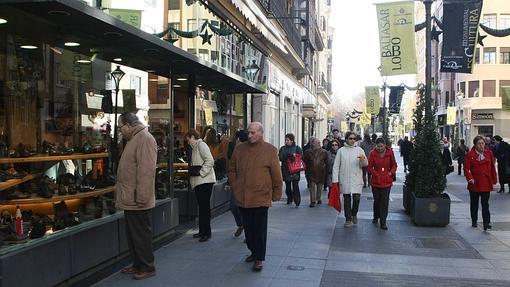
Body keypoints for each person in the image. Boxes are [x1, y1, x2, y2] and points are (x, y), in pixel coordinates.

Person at [228, 122, 282, 271]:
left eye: (253, 133)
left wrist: (277, 193)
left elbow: (276, 174)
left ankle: (259, 258)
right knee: (249, 229)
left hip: (261, 197)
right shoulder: (239, 149)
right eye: (249, 132)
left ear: (261, 133)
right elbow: (231, 169)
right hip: (243, 196)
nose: (249, 135)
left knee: (259, 229)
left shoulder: (270, 150)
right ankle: (253, 251)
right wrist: (235, 185)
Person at [116, 113, 157, 280]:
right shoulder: (135, 138)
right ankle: (138, 264)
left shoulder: (144, 139)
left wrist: (142, 197)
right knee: (133, 235)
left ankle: (147, 267)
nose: (120, 131)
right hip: (131, 198)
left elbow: (146, 172)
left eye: (120, 127)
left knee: (140, 235)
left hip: (137, 199)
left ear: (128, 125)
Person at [332, 131, 368, 228]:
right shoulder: (341, 151)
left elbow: (364, 164)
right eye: (350, 138)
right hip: (345, 177)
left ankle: (354, 213)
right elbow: (336, 166)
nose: (352, 140)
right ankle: (348, 219)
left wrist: (362, 160)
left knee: (356, 198)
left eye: (354, 139)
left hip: (356, 178)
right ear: (347, 139)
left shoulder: (359, 150)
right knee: (347, 199)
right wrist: (335, 180)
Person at [186, 129, 216, 242]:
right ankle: (202, 231)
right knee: (202, 208)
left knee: (204, 208)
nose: (188, 141)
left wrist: (201, 173)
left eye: (188, 139)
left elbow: (210, 160)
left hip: (204, 182)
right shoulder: (195, 147)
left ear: (193, 137)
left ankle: (206, 233)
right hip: (200, 182)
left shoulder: (201, 145)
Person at [464, 135, 498, 231]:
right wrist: (470, 178)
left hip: (485, 183)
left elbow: (492, 167)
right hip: (474, 183)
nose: (481, 146)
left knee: (485, 204)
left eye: (483, 143)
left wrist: (494, 179)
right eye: (479, 144)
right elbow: (466, 168)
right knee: (474, 203)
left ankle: (486, 223)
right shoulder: (470, 154)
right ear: (475, 145)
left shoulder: (489, 153)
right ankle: (474, 220)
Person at [367, 138, 397, 230]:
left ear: (384, 145)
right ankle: (376, 216)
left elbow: (394, 165)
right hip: (376, 181)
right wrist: (375, 174)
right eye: (378, 146)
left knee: (384, 201)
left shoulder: (390, 153)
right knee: (377, 200)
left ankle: (383, 222)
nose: (380, 148)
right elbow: (369, 166)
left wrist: (390, 173)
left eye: (381, 146)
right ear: (376, 146)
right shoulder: (372, 153)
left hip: (386, 181)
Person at [227, 130, 248, 237]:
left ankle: (248, 231)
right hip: (236, 184)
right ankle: (241, 224)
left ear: (239, 139)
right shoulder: (234, 150)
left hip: (248, 184)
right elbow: (232, 168)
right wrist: (228, 182)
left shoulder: (249, 151)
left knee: (246, 208)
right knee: (233, 206)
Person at [303, 137, 329, 207]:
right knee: (312, 186)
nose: (315, 144)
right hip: (311, 171)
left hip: (321, 171)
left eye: (317, 143)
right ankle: (313, 201)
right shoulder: (308, 152)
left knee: (320, 186)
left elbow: (327, 162)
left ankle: (318, 198)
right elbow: (305, 160)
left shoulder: (324, 152)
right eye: (314, 143)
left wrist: (327, 171)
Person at [279, 133, 303, 207]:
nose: (286, 141)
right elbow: (280, 158)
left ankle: (297, 201)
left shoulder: (297, 148)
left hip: (295, 169)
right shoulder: (282, 148)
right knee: (288, 186)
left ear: (292, 141)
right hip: (286, 170)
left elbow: (301, 156)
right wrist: (287, 156)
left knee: (295, 186)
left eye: (288, 140)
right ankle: (289, 198)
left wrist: (295, 156)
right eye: (286, 140)